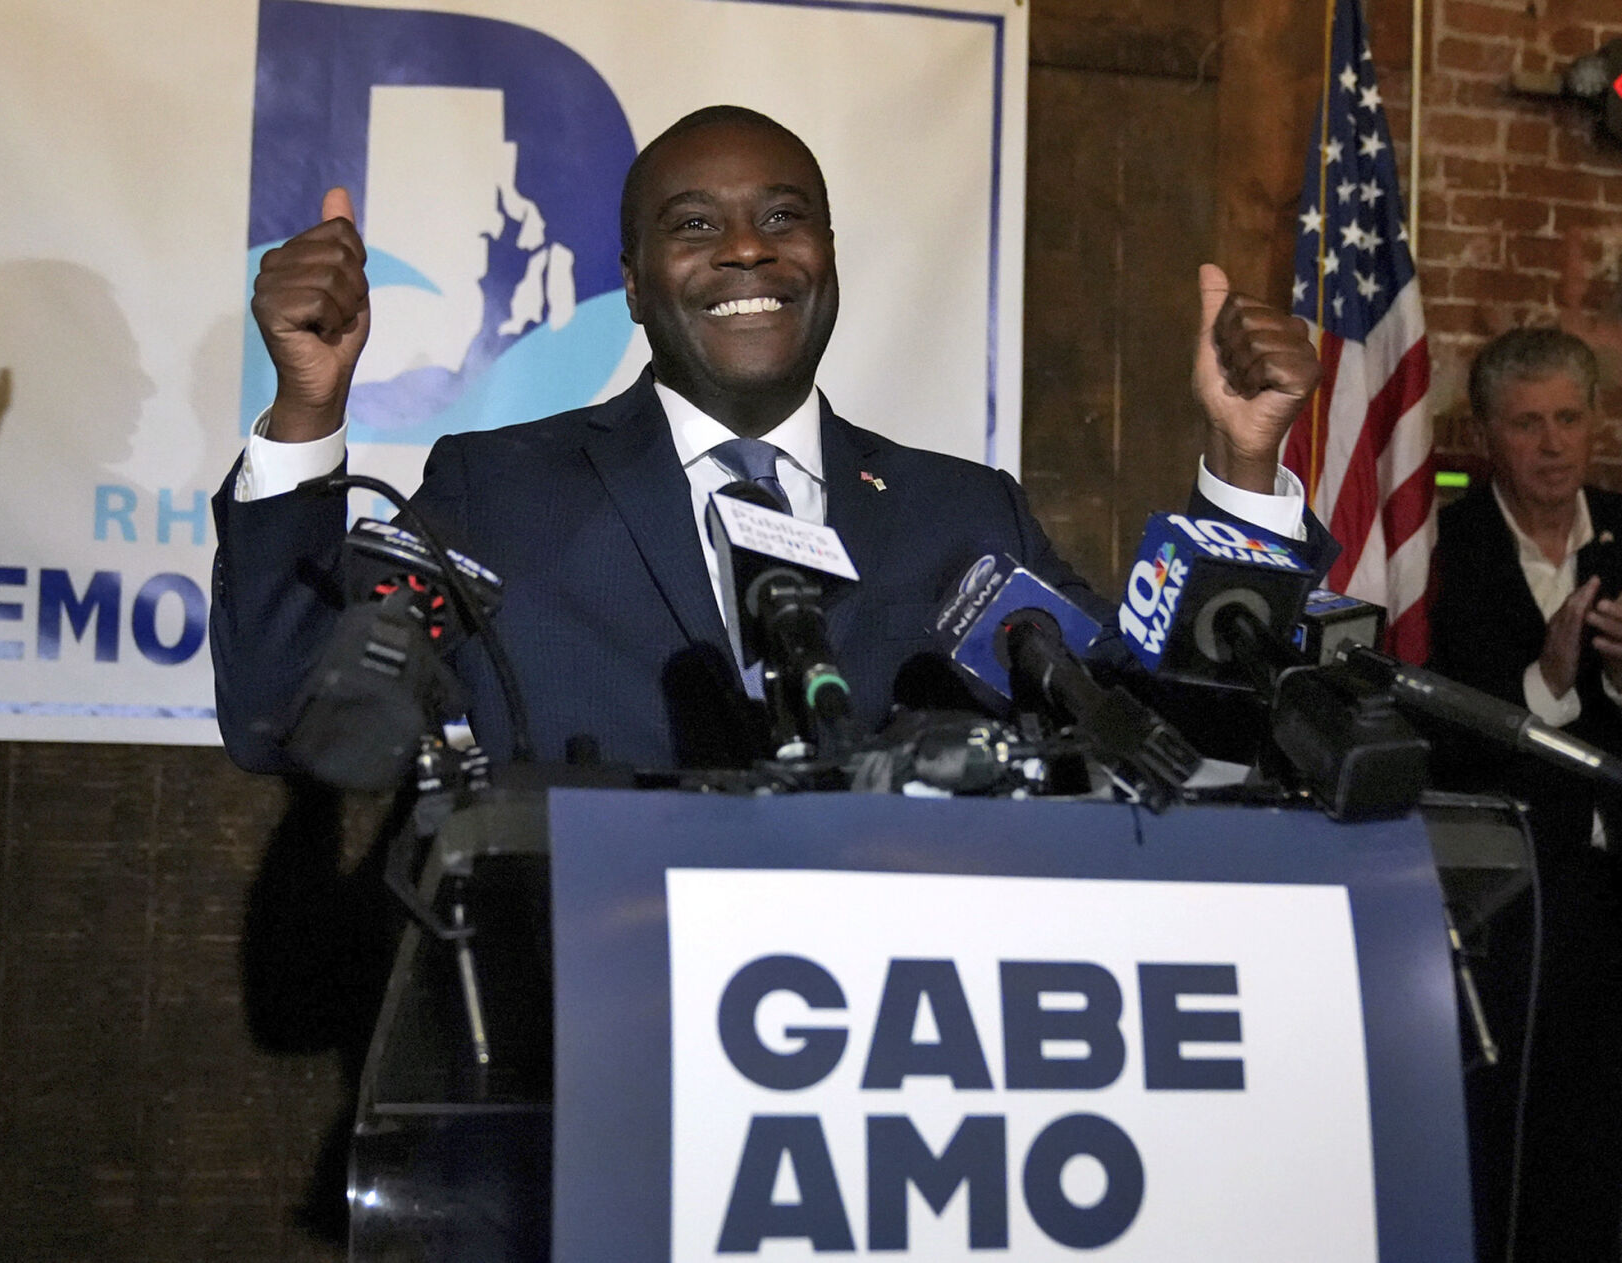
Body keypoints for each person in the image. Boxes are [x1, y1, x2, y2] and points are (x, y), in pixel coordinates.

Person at [211, 105, 1328, 773]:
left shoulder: (962, 516)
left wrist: (1244, 464)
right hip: (595, 1040)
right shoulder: (501, 490)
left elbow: (1180, 741)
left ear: (828, 257)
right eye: (694, 225)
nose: (748, 249)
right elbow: (286, 720)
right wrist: (308, 409)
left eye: (784, 217)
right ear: (634, 286)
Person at [1428, 326, 1622, 1262]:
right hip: (1510, 903)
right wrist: (1546, 679)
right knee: (1513, 1146)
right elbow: (1438, 740)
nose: (1551, 445)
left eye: (1568, 420)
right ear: (1485, 435)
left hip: (1613, 890)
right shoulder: (1442, 547)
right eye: (1526, 424)